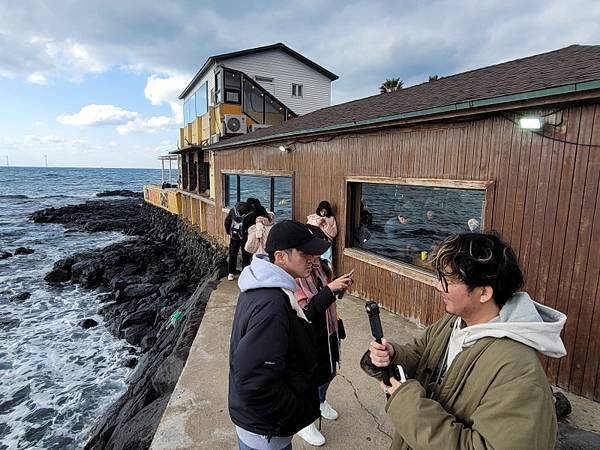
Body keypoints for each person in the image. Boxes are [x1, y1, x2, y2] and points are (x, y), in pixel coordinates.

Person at [361, 232, 567, 450]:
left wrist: (408, 404)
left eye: (448, 281)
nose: (439, 286)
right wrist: (393, 355)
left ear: (484, 293)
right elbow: (422, 354)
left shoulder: (519, 372)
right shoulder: (454, 321)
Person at [229, 220, 331, 450]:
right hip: (266, 434)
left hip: (261, 427)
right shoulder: (272, 305)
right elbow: (253, 383)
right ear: (280, 257)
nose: (313, 260)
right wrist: (297, 411)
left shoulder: (263, 287)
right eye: (305, 253)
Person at [294, 228, 353, 446]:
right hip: (310, 337)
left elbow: (329, 296)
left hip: (330, 329)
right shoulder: (295, 277)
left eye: (319, 252)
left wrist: (340, 286)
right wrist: (330, 289)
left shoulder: (321, 268)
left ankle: (321, 401)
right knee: (309, 379)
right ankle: (304, 423)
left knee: (330, 371)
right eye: (312, 252)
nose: (316, 258)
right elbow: (306, 312)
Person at [224, 197, 263, 281]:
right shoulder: (252, 213)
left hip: (234, 235)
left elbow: (227, 221)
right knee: (246, 255)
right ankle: (245, 273)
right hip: (245, 236)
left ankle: (231, 273)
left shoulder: (233, 210)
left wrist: (229, 232)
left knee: (232, 253)